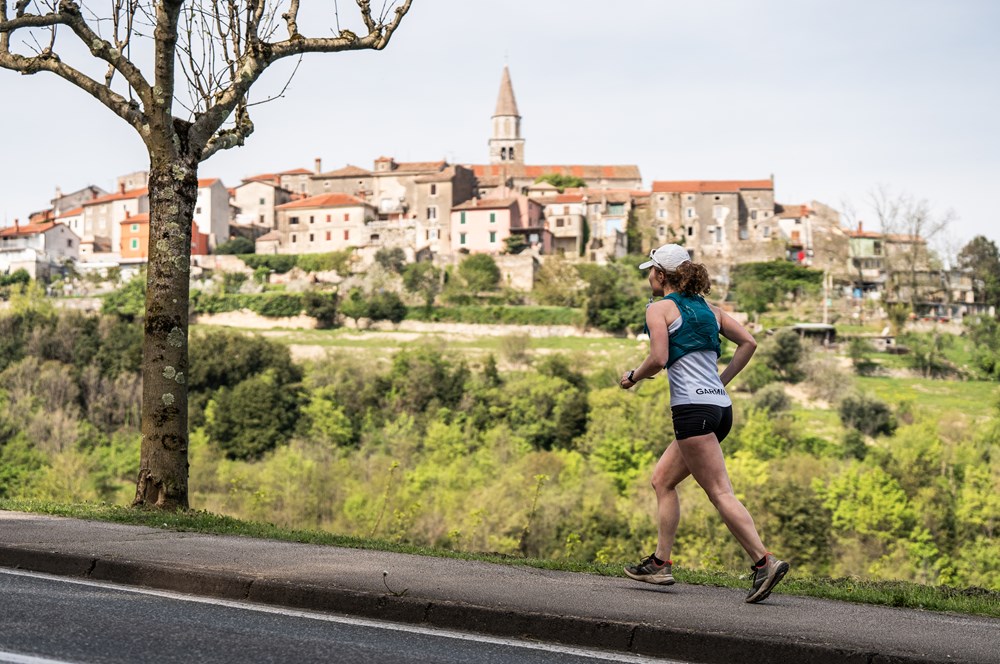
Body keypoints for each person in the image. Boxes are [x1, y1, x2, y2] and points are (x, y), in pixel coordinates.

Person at [619, 243, 789, 604]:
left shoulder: (658, 309)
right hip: (719, 408)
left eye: (651, 271)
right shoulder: (710, 311)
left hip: (692, 410)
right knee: (662, 480)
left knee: (719, 491)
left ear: (662, 275)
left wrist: (633, 377)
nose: (648, 277)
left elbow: (659, 357)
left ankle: (763, 562)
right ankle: (660, 563)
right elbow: (749, 342)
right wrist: (721, 381)